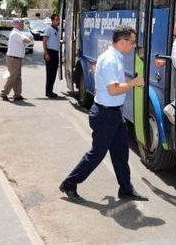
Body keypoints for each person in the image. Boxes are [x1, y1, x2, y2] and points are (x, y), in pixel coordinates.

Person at [60, 26, 147, 202]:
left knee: (121, 152)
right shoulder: (110, 60)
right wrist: (134, 82)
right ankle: (69, 183)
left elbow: (111, 84)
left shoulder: (115, 57)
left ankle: (126, 189)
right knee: (97, 154)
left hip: (114, 113)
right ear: (123, 42)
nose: (133, 46)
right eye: (132, 42)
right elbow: (114, 90)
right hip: (105, 115)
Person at [0, 19, 32, 101]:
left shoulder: (18, 32)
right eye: (22, 24)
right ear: (18, 25)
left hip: (16, 58)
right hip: (13, 58)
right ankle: (4, 93)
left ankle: (17, 94)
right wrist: (29, 39)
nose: (23, 25)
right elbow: (26, 40)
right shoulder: (16, 33)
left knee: (17, 77)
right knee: (13, 77)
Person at [43, 14, 61, 98]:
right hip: (50, 53)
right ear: (52, 21)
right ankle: (48, 91)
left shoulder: (57, 29)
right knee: (50, 74)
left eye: (59, 20)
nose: (58, 21)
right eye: (56, 20)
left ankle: (50, 91)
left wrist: (62, 42)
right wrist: (46, 53)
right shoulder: (49, 29)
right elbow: (44, 42)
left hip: (55, 53)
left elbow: (55, 40)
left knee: (53, 74)